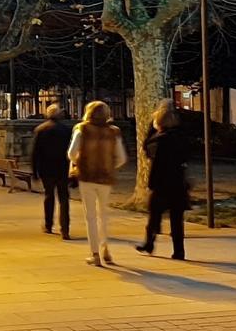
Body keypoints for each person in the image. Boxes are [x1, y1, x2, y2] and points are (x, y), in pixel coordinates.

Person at [68, 100, 128, 267]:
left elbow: (72, 153)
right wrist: (109, 166)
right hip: (106, 177)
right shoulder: (113, 131)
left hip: (87, 176)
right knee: (103, 214)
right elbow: (121, 158)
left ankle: (94, 253)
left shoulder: (82, 129)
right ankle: (106, 248)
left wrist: (80, 162)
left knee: (91, 216)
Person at [136, 100, 191, 261]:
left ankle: (149, 243)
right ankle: (179, 251)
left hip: (161, 184)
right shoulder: (180, 137)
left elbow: (155, 163)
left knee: (154, 215)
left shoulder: (159, 141)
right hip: (178, 181)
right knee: (176, 219)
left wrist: (150, 184)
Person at [31, 103, 73, 239]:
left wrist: (34, 171)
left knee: (49, 196)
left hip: (46, 169)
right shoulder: (67, 130)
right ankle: (65, 229)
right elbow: (71, 151)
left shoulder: (40, 129)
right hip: (63, 168)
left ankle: (48, 225)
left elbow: (35, 152)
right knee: (64, 198)